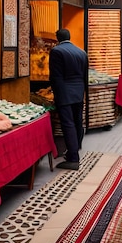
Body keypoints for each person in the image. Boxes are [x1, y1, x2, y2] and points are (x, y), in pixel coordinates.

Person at [49, 28, 87, 170]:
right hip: (78, 92)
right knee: (77, 121)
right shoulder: (81, 52)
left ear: (58, 38)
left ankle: (73, 157)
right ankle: (76, 148)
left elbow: (55, 76)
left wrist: (55, 93)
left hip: (64, 92)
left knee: (68, 123)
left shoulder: (57, 51)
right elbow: (84, 75)